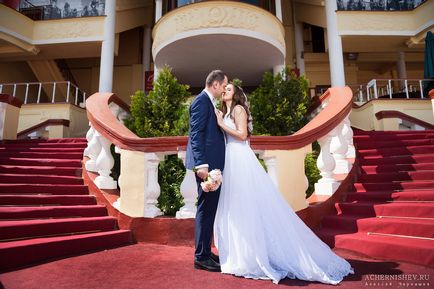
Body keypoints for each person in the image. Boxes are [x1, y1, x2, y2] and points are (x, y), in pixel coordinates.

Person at [213, 83, 354, 285]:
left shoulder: (238, 109)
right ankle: (240, 254)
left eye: (229, 88)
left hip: (240, 158)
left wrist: (221, 123)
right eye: (224, 88)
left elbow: (243, 135)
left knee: (246, 204)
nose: (225, 90)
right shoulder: (227, 111)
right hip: (231, 159)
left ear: (236, 94)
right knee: (236, 206)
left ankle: (255, 256)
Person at [185, 70, 228, 272]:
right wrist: (201, 164)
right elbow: (195, 134)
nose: (224, 91)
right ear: (215, 85)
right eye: (224, 86)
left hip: (212, 165)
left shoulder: (209, 101)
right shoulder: (201, 101)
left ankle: (205, 250)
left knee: (209, 209)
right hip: (207, 166)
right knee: (205, 209)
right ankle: (201, 257)